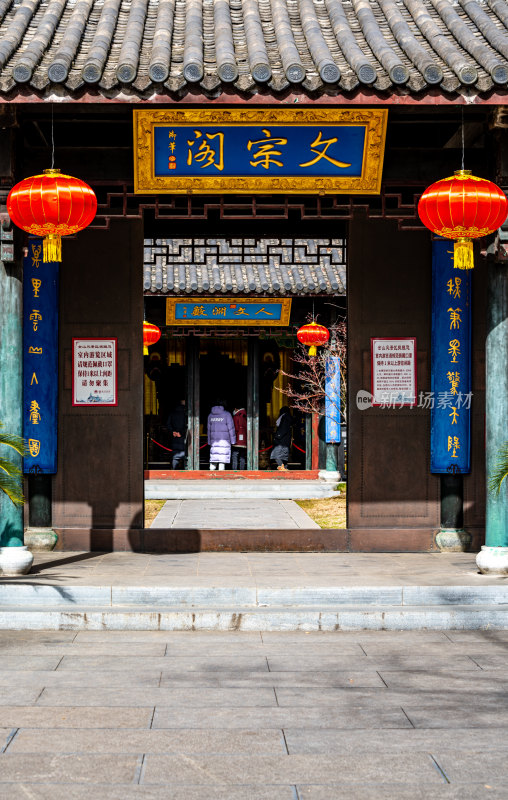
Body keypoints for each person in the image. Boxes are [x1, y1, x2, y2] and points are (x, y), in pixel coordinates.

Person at [207, 400, 236, 470]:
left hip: (214, 442)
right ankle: (220, 478)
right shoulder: (227, 415)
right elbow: (231, 429)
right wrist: (233, 441)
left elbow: (208, 430)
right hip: (224, 442)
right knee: (222, 461)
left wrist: (209, 442)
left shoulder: (210, 415)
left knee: (214, 460)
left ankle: (211, 475)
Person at [270, 405, 293, 471]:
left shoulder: (285, 417)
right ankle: (285, 468)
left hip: (281, 441)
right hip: (285, 441)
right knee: (283, 457)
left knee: (276, 455)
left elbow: (283, 429)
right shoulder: (287, 417)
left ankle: (282, 467)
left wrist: (277, 436)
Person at [167, 398, 187, 470]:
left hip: (174, 436)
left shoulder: (172, 413)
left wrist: (173, 432)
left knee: (175, 455)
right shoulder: (186, 413)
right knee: (185, 454)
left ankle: (174, 470)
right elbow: (187, 425)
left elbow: (168, 424)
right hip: (183, 436)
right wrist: (181, 433)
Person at [232, 406, 247, 470]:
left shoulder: (236, 416)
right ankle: (242, 470)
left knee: (235, 455)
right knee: (242, 456)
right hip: (244, 441)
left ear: (236, 408)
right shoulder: (245, 416)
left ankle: (234, 470)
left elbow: (236, 428)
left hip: (237, 439)